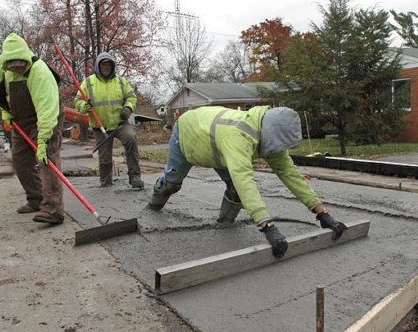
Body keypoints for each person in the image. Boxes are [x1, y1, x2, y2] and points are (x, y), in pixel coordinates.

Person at [148, 105, 347, 258]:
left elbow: (289, 173)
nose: (278, 151)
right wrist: (268, 227)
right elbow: (246, 181)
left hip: (217, 146)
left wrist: (322, 213)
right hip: (188, 136)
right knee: (171, 185)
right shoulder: (238, 137)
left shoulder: (267, 135)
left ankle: (224, 225)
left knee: (235, 191)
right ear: (271, 135)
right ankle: (153, 206)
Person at [0, 33, 64, 225]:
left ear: (26, 59)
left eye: (20, 65)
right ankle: (35, 200)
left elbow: (47, 110)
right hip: (20, 121)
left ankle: (53, 210)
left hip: (45, 117)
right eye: (12, 65)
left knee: (46, 160)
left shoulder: (40, 72)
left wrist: (42, 142)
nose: (16, 68)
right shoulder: (2, 66)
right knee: (20, 162)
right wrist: (6, 111)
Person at [74, 52, 143, 189]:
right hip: (100, 127)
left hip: (120, 123)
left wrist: (128, 108)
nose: (106, 67)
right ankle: (105, 182)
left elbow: (131, 97)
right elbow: (78, 101)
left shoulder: (121, 82)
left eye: (109, 64)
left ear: (113, 66)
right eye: (103, 64)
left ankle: (135, 177)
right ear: (98, 66)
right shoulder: (88, 83)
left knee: (131, 139)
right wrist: (84, 106)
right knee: (104, 156)